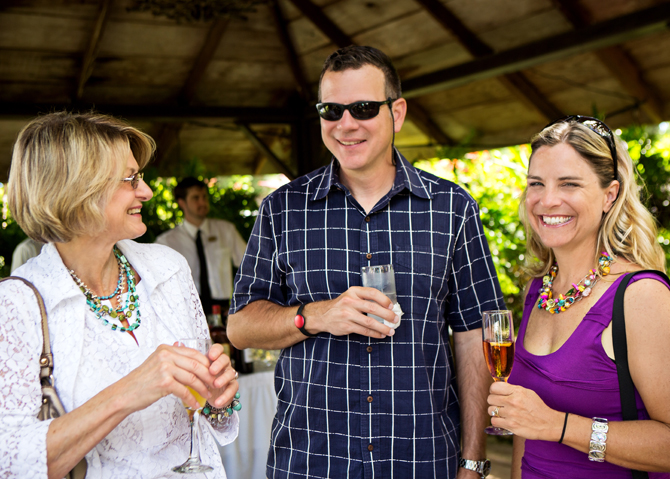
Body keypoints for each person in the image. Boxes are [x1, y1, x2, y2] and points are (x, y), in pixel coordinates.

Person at [227, 45, 504, 479]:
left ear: (397, 112)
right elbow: (240, 328)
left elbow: (474, 335)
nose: (346, 124)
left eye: (362, 108)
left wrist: (472, 461)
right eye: (331, 110)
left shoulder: (452, 208)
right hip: (311, 462)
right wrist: (317, 316)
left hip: (422, 460)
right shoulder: (282, 210)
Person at [0, 111, 240, 478]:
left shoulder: (169, 269)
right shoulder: (16, 305)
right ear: (76, 191)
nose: (145, 191)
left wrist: (218, 399)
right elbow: (12, 464)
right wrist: (129, 391)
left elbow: (207, 413)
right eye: (130, 179)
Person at [487, 116, 670, 478]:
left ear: (610, 195)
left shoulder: (641, 296)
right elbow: (526, 428)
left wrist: (557, 425)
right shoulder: (539, 290)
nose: (547, 200)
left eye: (569, 184)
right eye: (536, 183)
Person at [155, 177, 247, 316]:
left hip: (223, 311)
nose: (202, 202)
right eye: (195, 198)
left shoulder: (226, 230)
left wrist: (243, 302)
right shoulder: (166, 242)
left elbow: (250, 267)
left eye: (204, 197)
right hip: (185, 312)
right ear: (182, 203)